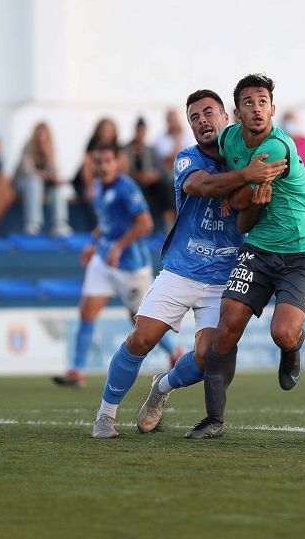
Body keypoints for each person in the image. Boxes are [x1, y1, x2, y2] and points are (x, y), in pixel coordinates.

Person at [90, 89, 287, 438]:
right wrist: (248, 177)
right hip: (182, 269)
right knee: (141, 340)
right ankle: (105, 415)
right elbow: (201, 186)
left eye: (209, 113)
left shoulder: (246, 159)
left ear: (227, 118)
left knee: (208, 357)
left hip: (223, 278)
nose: (202, 121)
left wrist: (253, 190)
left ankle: (161, 388)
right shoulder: (186, 158)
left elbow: (249, 218)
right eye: (194, 117)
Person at [185, 73, 305, 440]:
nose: (257, 108)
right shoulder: (230, 139)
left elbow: (239, 201)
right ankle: (214, 420)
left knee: (282, 332)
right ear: (236, 113)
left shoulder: (277, 148)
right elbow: (242, 210)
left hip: (300, 247)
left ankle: (292, 347)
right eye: (248, 103)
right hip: (260, 245)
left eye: (263, 102)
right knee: (226, 328)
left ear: (273, 109)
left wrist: (234, 198)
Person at [53, 143, 173, 388]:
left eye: (108, 161)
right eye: (99, 162)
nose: (103, 166)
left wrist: (119, 246)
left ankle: (175, 352)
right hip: (104, 260)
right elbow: (108, 222)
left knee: (141, 323)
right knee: (87, 311)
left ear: (117, 162)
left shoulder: (126, 188)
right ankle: (76, 370)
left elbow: (146, 224)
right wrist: (92, 244)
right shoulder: (98, 186)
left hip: (131, 266)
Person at [13, 122, 72, 237]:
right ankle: (33, 224)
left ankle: (59, 224)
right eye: (39, 135)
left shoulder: (51, 149)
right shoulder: (28, 147)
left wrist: (49, 158)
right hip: (24, 184)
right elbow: (28, 172)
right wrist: (46, 176)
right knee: (34, 182)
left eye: (44, 135)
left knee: (56, 187)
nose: (41, 138)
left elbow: (55, 173)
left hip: (42, 185)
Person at [72, 117, 125, 230]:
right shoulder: (92, 146)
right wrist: (90, 186)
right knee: (94, 198)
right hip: (89, 182)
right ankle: (98, 228)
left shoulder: (117, 148)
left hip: (107, 183)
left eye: (109, 130)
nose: (106, 133)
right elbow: (87, 168)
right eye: (104, 130)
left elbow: (122, 169)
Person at [124, 116, 173, 230]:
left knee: (165, 186)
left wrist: (153, 176)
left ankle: (169, 225)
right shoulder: (125, 149)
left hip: (150, 184)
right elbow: (124, 171)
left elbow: (160, 170)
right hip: (134, 183)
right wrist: (140, 177)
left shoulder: (149, 149)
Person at [153, 108, 195, 228]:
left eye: (175, 119)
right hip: (170, 175)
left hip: (190, 173)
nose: (174, 123)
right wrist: (177, 139)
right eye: (171, 120)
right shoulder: (161, 139)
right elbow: (172, 161)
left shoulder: (189, 135)